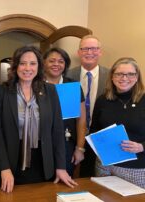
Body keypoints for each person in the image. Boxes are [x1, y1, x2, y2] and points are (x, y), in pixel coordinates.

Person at [0, 45, 77, 193]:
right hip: (10, 161)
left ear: (39, 67)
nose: (27, 68)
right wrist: (4, 168)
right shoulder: (1, 91)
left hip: (42, 161)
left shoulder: (50, 91)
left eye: (32, 63)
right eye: (22, 63)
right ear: (15, 66)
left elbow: (57, 131)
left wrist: (61, 167)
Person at [90, 57, 145, 188]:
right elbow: (94, 129)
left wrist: (142, 146)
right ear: (112, 77)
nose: (124, 78)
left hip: (137, 168)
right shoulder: (102, 100)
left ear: (137, 77)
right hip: (105, 166)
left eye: (130, 74)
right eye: (119, 74)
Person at [66, 35, 109, 177]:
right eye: (85, 49)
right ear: (79, 52)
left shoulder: (111, 77)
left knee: (96, 178)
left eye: (94, 48)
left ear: (100, 52)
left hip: (101, 137)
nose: (89, 52)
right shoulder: (68, 75)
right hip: (73, 136)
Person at [43, 47, 86, 176]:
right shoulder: (35, 85)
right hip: (41, 144)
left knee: (64, 182)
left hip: (67, 144)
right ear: (44, 62)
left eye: (61, 61)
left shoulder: (73, 86)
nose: (56, 64)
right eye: (52, 61)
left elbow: (81, 120)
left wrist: (80, 148)